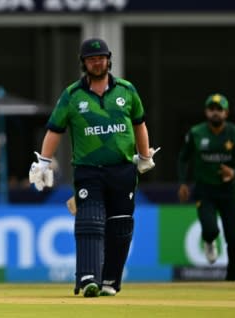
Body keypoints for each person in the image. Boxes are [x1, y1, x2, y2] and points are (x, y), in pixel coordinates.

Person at [28, 37, 158, 298]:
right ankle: (88, 277)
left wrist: (144, 157)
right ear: (83, 63)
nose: (97, 63)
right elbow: (55, 129)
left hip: (122, 169)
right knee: (91, 220)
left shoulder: (126, 90)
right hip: (89, 170)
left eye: (100, 58)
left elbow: (139, 124)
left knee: (120, 226)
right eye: (91, 59)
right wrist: (43, 163)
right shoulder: (72, 95)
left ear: (109, 59)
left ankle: (110, 280)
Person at [177, 93, 235, 281]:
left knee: (233, 238)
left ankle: (232, 279)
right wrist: (183, 182)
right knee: (210, 230)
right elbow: (183, 159)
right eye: (212, 109)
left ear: (226, 113)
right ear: (206, 112)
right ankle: (209, 241)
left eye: (220, 109)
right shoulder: (196, 133)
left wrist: (234, 173)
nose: (215, 113)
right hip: (205, 189)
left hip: (229, 191)